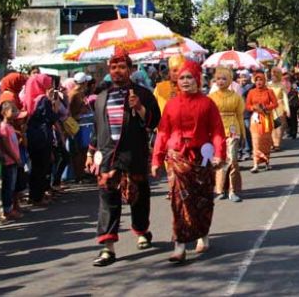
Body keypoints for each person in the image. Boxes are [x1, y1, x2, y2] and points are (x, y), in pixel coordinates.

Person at [86, 49, 161, 267]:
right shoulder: (101, 97)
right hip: (108, 156)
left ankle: (141, 230)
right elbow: (96, 128)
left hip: (134, 153)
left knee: (139, 196)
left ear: (130, 69)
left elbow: (154, 122)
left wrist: (139, 107)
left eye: (121, 67)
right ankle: (107, 248)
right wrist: (91, 153)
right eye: (113, 67)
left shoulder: (143, 94)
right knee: (108, 200)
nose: (117, 71)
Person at [152, 60, 226, 262]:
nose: (185, 81)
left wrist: (219, 153)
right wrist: (156, 159)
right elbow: (163, 132)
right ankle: (180, 245)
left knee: (202, 200)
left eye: (189, 77)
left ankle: (203, 234)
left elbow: (218, 131)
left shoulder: (207, 103)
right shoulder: (171, 105)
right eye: (182, 77)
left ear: (197, 80)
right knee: (179, 200)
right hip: (176, 158)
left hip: (202, 159)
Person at [209, 66, 245, 203]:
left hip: (232, 129)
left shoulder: (236, 97)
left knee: (232, 159)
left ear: (230, 80)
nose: (221, 81)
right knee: (219, 160)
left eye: (224, 78)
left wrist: (242, 134)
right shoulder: (211, 97)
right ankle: (220, 189)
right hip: (216, 131)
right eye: (218, 79)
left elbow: (240, 116)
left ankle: (233, 190)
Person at [24, 74, 60, 206]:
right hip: (43, 137)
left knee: (35, 167)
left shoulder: (30, 98)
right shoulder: (43, 99)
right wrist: (51, 101)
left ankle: (34, 195)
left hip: (33, 136)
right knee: (42, 167)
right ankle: (38, 197)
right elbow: (51, 117)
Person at [246, 71, 279, 173]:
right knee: (256, 141)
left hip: (266, 119)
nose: (259, 82)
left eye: (261, 80)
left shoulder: (269, 91)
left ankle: (266, 162)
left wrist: (266, 108)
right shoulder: (251, 92)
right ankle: (255, 164)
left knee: (266, 141)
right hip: (255, 119)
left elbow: (275, 104)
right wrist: (254, 107)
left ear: (264, 81)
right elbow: (247, 105)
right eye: (257, 80)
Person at [0, 101, 23, 221]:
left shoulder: (10, 127)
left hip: (13, 161)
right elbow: (6, 146)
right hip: (8, 162)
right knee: (8, 187)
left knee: (12, 186)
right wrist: (15, 158)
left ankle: (10, 208)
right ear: (4, 112)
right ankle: (7, 210)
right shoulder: (3, 127)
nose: (14, 113)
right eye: (12, 111)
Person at [268, 68, 289, 153]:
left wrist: (287, 109)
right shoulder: (268, 85)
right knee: (272, 126)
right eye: (272, 75)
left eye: (276, 76)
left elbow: (285, 98)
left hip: (280, 106)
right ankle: (272, 143)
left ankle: (277, 144)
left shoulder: (282, 85)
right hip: (270, 106)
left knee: (279, 126)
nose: (274, 77)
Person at [237, 70, 255, 160]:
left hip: (248, 113)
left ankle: (248, 150)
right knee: (239, 133)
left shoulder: (251, 86)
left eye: (245, 77)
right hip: (238, 113)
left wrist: (239, 86)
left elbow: (242, 93)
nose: (243, 79)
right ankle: (240, 151)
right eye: (241, 77)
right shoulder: (237, 86)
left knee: (248, 132)